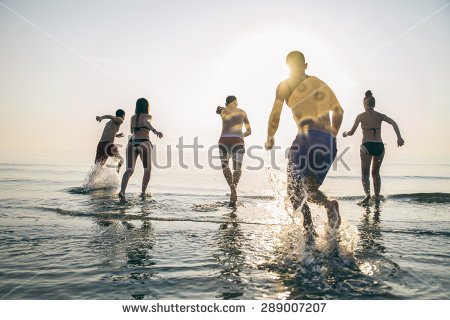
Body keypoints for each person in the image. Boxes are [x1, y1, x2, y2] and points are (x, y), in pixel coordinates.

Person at [265, 51, 344, 230]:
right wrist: (331, 137)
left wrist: (269, 137)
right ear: (306, 65)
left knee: (293, 191)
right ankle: (329, 205)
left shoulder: (285, 85)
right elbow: (339, 111)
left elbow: (275, 114)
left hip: (306, 140)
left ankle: (308, 231)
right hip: (328, 143)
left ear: (287, 67)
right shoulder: (319, 83)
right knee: (309, 190)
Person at [343, 90, 404, 204]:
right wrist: (399, 138)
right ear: (374, 104)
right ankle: (376, 197)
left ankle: (367, 195)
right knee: (376, 173)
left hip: (366, 146)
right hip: (379, 147)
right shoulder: (380, 116)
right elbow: (393, 123)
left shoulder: (360, 116)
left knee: (365, 174)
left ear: (364, 104)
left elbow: (351, 132)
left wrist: (345, 133)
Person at [118, 98, 163, 202]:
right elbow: (145, 122)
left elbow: (131, 130)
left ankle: (122, 192)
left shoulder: (132, 118)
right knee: (147, 170)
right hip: (144, 142)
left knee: (129, 170)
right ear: (146, 106)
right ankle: (143, 193)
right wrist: (155, 131)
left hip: (131, 143)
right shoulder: (148, 116)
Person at [216, 96, 252, 206]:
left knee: (225, 166)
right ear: (235, 102)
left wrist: (220, 109)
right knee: (237, 168)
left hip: (224, 141)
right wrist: (241, 135)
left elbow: (218, 110)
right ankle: (234, 187)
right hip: (238, 141)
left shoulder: (222, 110)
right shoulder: (243, 112)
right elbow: (249, 131)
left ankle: (231, 188)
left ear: (226, 103)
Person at [94, 109, 125, 173]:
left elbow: (107, 133)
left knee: (98, 167)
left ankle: (90, 181)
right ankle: (117, 173)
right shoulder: (120, 119)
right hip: (108, 145)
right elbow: (110, 116)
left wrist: (116, 135)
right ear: (123, 115)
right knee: (121, 160)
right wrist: (101, 118)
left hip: (100, 145)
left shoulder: (109, 123)